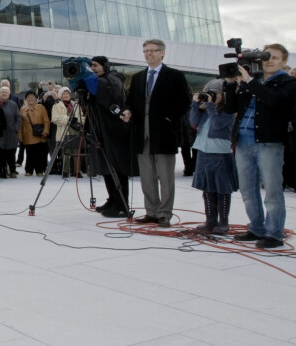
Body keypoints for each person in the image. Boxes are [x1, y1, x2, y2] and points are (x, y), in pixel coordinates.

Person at [223, 44, 296, 249]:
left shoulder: (289, 83)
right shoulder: (254, 80)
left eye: (275, 57)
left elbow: (275, 101)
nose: (269, 60)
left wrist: (249, 82)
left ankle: (274, 234)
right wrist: (231, 84)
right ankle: (256, 228)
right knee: (247, 190)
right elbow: (230, 108)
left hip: (269, 144)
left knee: (273, 192)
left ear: (284, 61)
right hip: (242, 142)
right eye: (266, 57)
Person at [121, 39, 190, 226]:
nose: (148, 54)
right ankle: (151, 211)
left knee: (166, 178)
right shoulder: (137, 78)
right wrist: (128, 111)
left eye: (152, 50)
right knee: (147, 178)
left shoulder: (174, 76)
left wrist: (169, 118)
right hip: (141, 134)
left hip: (164, 134)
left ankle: (164, 213)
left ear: (162, 52)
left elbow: (185, 101)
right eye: (145, 51)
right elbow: (131, 102)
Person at [83, 57, 133, 218]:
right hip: (101, 131)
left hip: (115, 131)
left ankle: (121, 204)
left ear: (105, 66)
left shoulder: (113, 78)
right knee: (107, 168)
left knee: (117, 168)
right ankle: (112, 199)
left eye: (95, 66)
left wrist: (89, 77)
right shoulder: (101, 80)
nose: (93, 69)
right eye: (91, 67)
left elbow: (108, 93)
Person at [189, 82, 238, 235]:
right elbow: (193, 122)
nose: (210, 96)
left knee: (222, 189)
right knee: (207, 187)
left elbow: (217, 125)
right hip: (203, 151)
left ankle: (223, 222)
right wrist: (195, 105)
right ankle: (210, 220)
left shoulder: (228, 112)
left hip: (220, 154)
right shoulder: (205, 110)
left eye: (214, 93)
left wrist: (210, 106)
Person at [50, 87, 82, 175]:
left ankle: (77, 172)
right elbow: (55, 119)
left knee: (76, 151)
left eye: (67, 93)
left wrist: (78, 120)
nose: (66, 95)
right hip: (64, 130)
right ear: (60, 96)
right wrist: (69, 119)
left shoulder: (75, 105)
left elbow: (81, 117)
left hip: (75, 130)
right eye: (64, 94)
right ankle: (65, 171)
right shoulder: (56, 105)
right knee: (66, 151)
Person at [19, 91, 50, 176]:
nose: (30, 99)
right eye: (28, 97)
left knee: (40, 153)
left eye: (32, 97)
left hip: (40, 134)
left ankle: (39, 170)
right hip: (27, 135)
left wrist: (46, 131)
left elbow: (46, 121)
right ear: (25, 99)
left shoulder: (41, 107)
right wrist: (20, 136)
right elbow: (20, 124)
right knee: (29, 153)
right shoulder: (22, 109)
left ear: (36, 98)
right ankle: (28, 170)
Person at [0, 86, 21, 179]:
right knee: (1, 154)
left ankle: (12, 171)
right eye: (2, 92)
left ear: (9, 94)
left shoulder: (13, 104)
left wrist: (15, 128)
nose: (4, 94)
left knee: (11, 154)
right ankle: (3, 171)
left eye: (6, 92)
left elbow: (18, 117)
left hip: (11, 133)